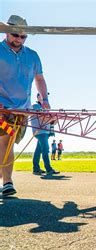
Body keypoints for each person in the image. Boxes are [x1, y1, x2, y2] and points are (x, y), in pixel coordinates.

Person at [0, 15, 51, 196]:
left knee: (9, 143)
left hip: (22, 110)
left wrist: (45, 101)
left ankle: (4, 179)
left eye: (23, 36)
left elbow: (40, 79)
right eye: (15, 35)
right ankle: (7, 182)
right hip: (2, 109)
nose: (19, 39)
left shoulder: (33, 56)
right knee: (6, 140)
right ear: (6, 32)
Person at [31, 94, 59, 175]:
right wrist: (52, 118)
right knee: (45, 149)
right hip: (40, 131)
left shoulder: (46, 108)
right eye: (42, 95)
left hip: (46, 132)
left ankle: (36, 169)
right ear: (38, 97)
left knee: (38, 150)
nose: (44, 97)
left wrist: (54, 119)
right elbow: (41, 117)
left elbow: (54, 122)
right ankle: (49, 169)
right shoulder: (35, 106)